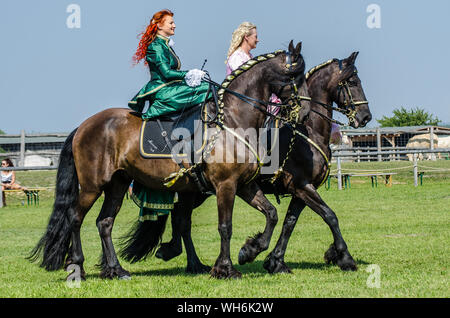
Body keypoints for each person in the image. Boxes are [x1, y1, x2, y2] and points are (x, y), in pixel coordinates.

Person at [128, 9, 210, 119]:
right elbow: (166, 73)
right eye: (171, 23)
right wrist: (190, 73)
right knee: (207, 88)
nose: (174, 25)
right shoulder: (156, 46)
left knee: (207, 86)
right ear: (159, 25)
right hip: (162, 91)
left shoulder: (165, 44)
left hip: (171, 87)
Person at [225, 22, 281, 115]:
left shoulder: (249, 57)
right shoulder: (236, 57)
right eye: (255, 37)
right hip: (239, 106)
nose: (257, 40)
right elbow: (245, 83)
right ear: (246, 37)